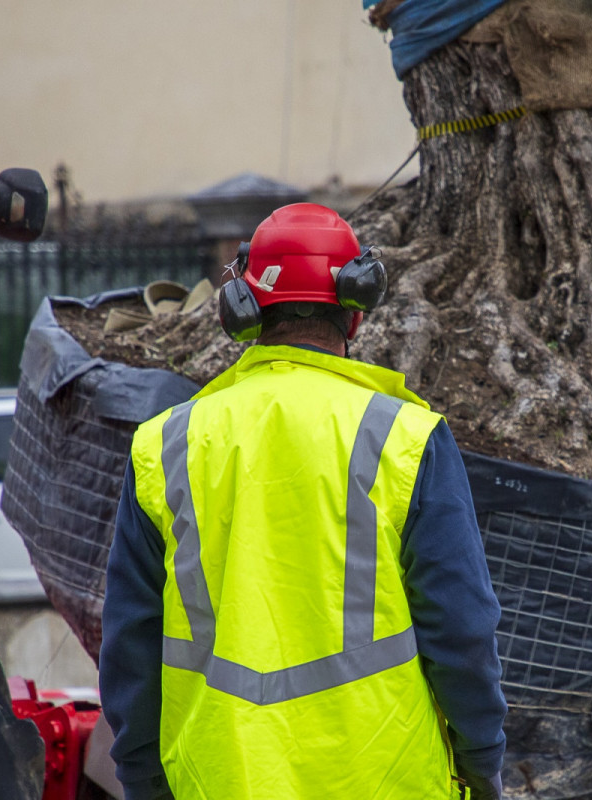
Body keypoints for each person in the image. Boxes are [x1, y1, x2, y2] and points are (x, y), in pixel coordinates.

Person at [99, 202, 508, 800]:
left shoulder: (167, 446)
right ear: (356, 312)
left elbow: (131, 643)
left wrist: (142, 778)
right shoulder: (405, 439)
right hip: (384, 780)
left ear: (244, 309)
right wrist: (482, 761)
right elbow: (461, 628)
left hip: (218, 780)